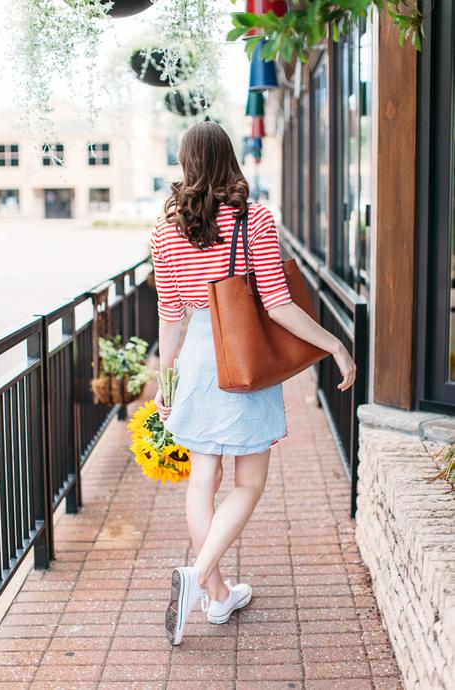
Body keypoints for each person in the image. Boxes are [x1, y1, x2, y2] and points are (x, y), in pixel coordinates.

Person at [149, 120, 356, 646]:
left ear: (186, 163)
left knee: (203, 481)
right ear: (229, 159)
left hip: (196, 362)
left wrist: (165, 382)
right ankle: (200, 580)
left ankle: (218, 596)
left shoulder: (165, 228)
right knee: (250, 483)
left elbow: (170, 313)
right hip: (240, 362)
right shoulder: (254, 219)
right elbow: (277, 305)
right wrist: (332, 344)